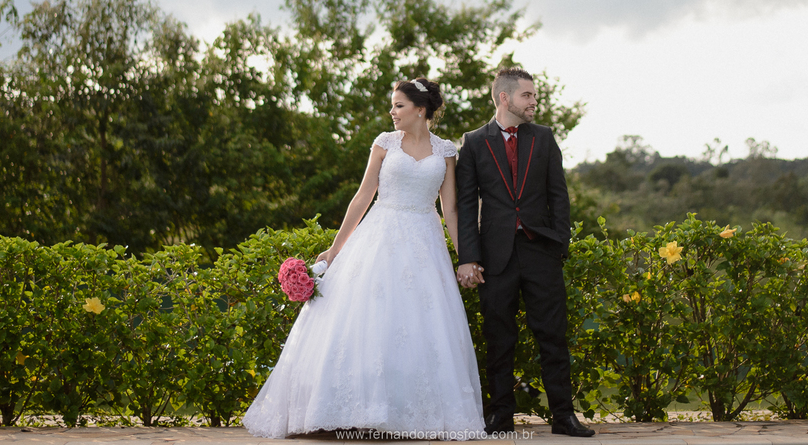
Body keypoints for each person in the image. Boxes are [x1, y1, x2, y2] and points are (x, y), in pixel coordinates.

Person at [241, 78, 485, 439]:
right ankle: (351, 411)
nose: (392, 112)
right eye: (392, 105)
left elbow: (449, 209)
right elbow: (362, 197)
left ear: (421, 109)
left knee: (421, 326)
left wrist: (467, 257)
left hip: (424, 243)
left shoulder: (446, 151)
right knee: (366, 320)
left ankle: (411, 415)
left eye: (399, 105)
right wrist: (335, 249)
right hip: (380, 236)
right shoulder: (385, 144)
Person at [455, 67, 594, 437]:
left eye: (534, 95)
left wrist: (559, 244)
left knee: (553, 335)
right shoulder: (473, 142)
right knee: (499, 338)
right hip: (495, 256)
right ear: (505, 98)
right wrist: (468, 256)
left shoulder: (545, 138)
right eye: (527, 95)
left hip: (540, 252)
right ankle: (500, 416)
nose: (534, 101)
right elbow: (467, 205)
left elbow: (558, 196)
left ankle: (563, 415)